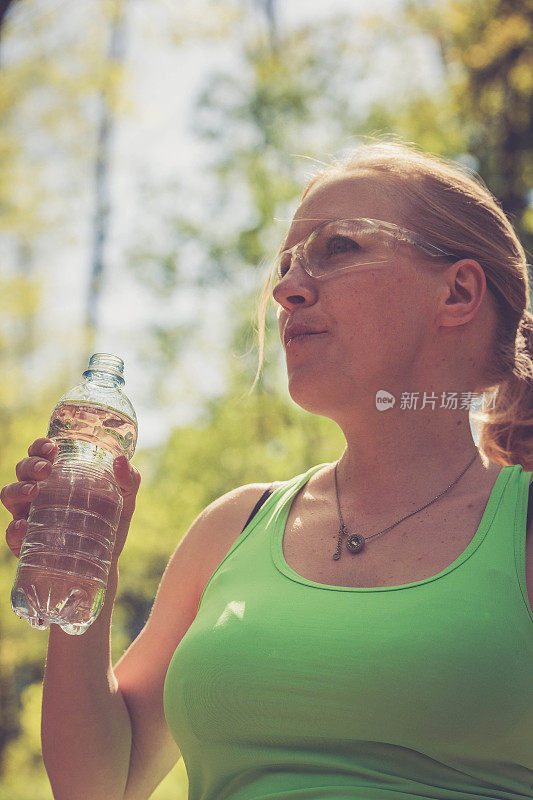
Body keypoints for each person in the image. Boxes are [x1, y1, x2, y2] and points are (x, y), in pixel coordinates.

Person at [3, 139, 533, 800]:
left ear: (456, 292)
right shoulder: (235, 527)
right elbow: (96, 785)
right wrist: (86, 576)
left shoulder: (522, 526)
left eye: (339, 247)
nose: (285, 289)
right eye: (285, 265)